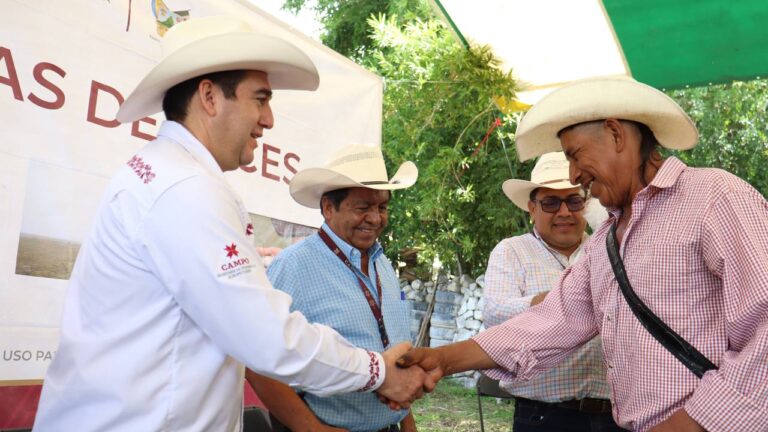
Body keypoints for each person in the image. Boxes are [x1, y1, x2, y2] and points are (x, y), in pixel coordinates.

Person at [33, 16, 430, 432]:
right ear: (209, 96)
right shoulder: (185, 189)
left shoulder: (170, 176)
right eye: (260, 99)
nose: (269, 119)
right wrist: (377, 371)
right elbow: (266, 335)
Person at [397, 77, 768, 431]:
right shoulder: (605, 242)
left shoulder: (716, 198)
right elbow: (550, 321)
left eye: (575, 155)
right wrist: (442, 359)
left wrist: (684, 426)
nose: (574, 175)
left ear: (616, 134)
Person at [247, 144, 419, 432]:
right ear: (328, 208)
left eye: (382, 207)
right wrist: (313, 430)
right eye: (363, 207)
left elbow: (392, 351)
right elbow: (257, 361)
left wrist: (407, 424)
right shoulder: (294, 266)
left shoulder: (383, 265)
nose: (376, 218)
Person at [484, 151, 620, 431]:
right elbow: (495, 315)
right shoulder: (512, 251)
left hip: (613, 415)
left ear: (587, 204)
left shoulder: (609, 249)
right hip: (544, 417)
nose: (564, 212)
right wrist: (558, 302)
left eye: (573, 200)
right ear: (532, 208)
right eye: (550, 203)